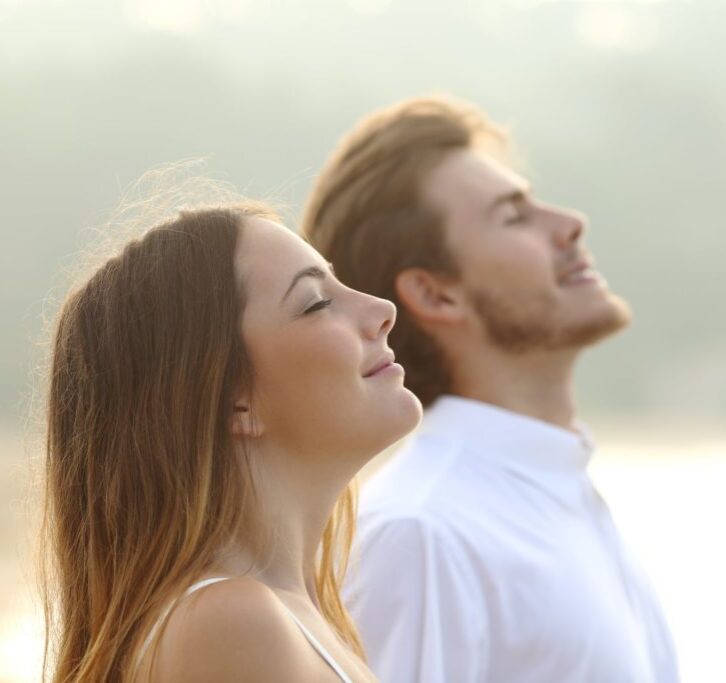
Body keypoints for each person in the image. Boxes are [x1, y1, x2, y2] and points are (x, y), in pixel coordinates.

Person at [302, 96, 680, 683]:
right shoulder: (423, 534)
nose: (570, 223)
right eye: (514, 216)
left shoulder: (555, 494)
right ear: (435, 295)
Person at [42, 200, 421, 682]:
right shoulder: (231, 623)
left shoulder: (300, 618)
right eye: (317, 302)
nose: (382, 309)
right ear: (233, 402)